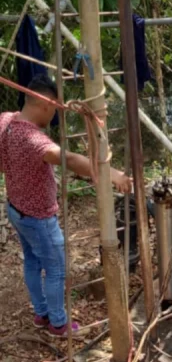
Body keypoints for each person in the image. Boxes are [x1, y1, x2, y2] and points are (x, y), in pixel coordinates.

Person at [0, 74, 132, 338]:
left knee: (33, 262)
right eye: (55, 107)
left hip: (16, 209)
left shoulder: (6, 120)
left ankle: (41, 313)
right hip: (38, 218)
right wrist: (111, 173)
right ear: (45, 104)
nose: (54, 115)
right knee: (57, 269)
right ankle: (58, 324)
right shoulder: (35, 141)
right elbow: (68, 158)